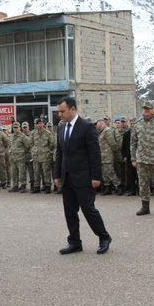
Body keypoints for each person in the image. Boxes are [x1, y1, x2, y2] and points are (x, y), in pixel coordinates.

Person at [53, 96, 111, 255]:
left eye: (62, 111)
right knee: (70, 212)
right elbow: (60, 153)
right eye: (59, 111)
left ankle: (104, 237)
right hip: (67, 177)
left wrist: (96, 177)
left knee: (88, 209)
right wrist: (57, 175)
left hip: (84, 177)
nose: (60, 114)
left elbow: (95, 154)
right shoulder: (61, 128)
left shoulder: (86, 127)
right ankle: (75, 242)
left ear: (72, 109)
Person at [31, 118, 55, 193]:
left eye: (40, 123)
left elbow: (52, 144)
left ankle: (48, 187)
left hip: (45, 156)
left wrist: (46, 150)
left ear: (42, 124)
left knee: (46, 172)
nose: (38, 125)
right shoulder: (33, 133)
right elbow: (31, 143)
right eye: (37, 123)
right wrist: (34, 150)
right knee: (36, 172)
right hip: (36, 156)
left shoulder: (48, 133)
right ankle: (37, 187)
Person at [96, 119, 118, 196]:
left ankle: (118, 186)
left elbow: (112, 143)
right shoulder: (101, 132)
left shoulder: (107, 131)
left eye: (98, 125)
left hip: (107, 155)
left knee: (110, 172)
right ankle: (107, 187)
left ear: (102, 124)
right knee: (104, 173)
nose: (97, 127)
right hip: (102, 156)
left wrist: (115, 152)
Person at [8, 122, 29, 193]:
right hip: (13, 158)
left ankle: (23, 186)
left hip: (21, 158)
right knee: (13, 172)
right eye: (14, 128)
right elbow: (10, 145)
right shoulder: (11, 136)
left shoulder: (23, 136)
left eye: (17, 127)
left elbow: (27, 146)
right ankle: (15, 186)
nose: (15, 129)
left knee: (22, 172)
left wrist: (22, 153)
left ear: (19, 128)